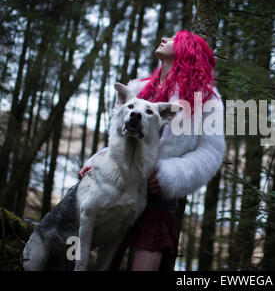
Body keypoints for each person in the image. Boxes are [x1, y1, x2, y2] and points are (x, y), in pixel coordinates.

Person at [78, 30, 226, 271]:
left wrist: (170, 175)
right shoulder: (137, 89)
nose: (165, 38)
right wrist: (98, 160)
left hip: (159, 198)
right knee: (105, 264)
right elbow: (120, 135)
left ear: (187, 51)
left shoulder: (208, 100)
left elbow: (211, 153)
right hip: (121, 190)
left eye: (174, 39)